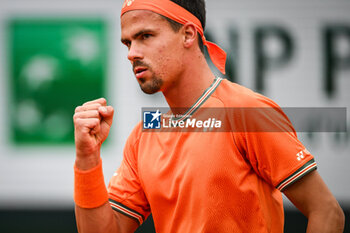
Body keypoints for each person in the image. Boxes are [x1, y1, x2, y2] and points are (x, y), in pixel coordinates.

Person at [73, 0, 345, 232]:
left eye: (146, 36)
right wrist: (87, 159)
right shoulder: (143, 135)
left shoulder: (246, 112)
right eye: (127, 42)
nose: (132, 53)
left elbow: (327, 212)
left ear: (189, 35)